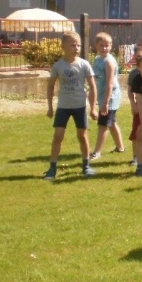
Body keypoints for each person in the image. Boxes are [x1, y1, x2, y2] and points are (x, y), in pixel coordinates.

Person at [44, 31, 98, 179]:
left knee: (82, 135)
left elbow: (93, 87)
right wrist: (50, 107)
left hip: (80, 106)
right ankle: (52, 168)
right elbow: (50, 87)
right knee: (58, 135)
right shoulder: (58, 66)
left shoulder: (84, 64)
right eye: (72, 45)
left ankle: (86, 166)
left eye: (78, 45)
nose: (76, 48)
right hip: (63, 107)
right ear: (63, 47)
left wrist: (93, 108)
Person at [89, 32, 125, 159]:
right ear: (96, 46)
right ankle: (120, 147)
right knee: (112, 122)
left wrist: (105, 103)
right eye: (101, 45)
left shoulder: (109, 62)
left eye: (107, 45)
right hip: (102, 96)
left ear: (111, 46)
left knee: (103, 125)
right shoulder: (98, 60)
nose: (104, 48)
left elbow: (110, 83)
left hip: (110, 98)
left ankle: (97, 152)